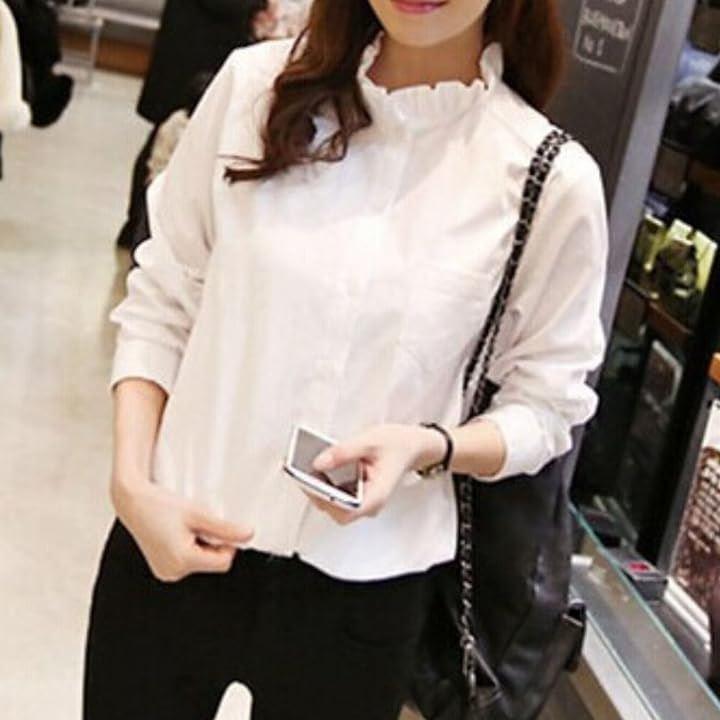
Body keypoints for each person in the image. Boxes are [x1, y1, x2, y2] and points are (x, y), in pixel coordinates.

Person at [84, 1, 609, 719]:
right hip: (169, 537)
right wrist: (131, 484)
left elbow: (547, 406)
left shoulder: (546, 176)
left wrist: (431, 445)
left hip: (362, 592)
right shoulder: (254, 87)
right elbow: (163, 299)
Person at [115, 0, 269, 250]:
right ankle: (140, 227)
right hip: (192, 58)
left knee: (167, 145)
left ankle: (141, 227)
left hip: (194, 54)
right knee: (164, 147)